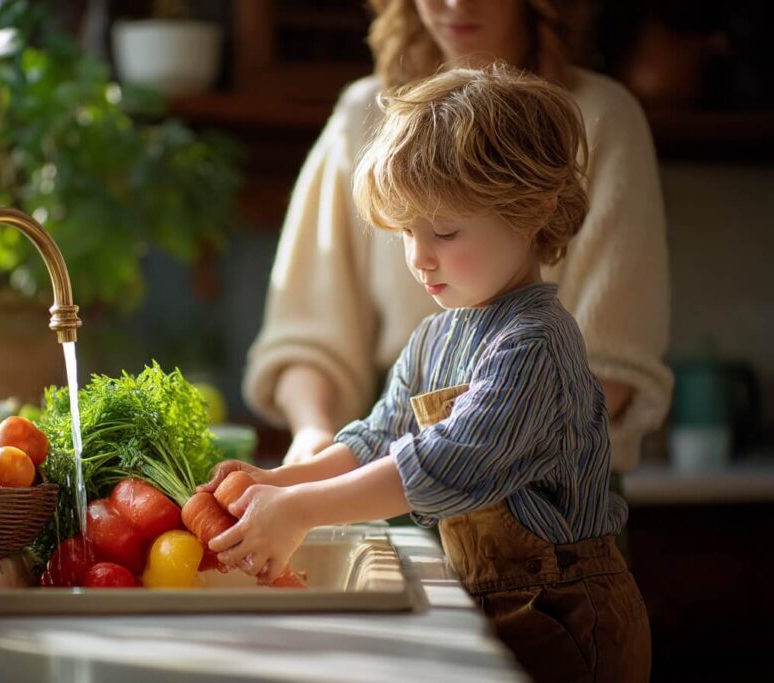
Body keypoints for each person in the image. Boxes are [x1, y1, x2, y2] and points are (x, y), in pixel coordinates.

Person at [209, 65, 650, 683]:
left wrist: (301, 509)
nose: (418, 256)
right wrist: (282, 481)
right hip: (491, 600)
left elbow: (442, 463)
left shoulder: (537, 345)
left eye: (443, 230)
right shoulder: (435, 336)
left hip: (569, 616)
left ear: (532, 211)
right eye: (406, 233)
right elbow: (377, 437)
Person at [243, 0, 672, 475]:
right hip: (394, 473)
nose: (454, 3)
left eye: (445, 230)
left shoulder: (602, 118)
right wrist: (313, 441)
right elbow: (310, 334)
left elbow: (609, 371)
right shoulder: (366, 117)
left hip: (543, 495)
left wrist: (429, 458)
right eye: (403, 230)